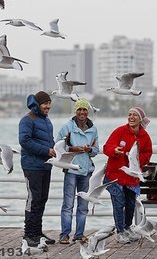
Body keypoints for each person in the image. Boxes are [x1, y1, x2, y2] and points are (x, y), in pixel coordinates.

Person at [103, 107, 153, 244]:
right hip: (115, 174)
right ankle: (120, 232)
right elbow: (107, 147)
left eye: (135, 115)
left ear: (140, 119)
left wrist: (135, 159)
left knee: (131, 204)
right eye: (129, 114)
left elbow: (147, 154)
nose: (131, 117)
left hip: (131, 176)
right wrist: (115, 150)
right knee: (118, 202)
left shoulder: (145, 137)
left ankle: (127, 228)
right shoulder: (119, 131)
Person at [56, 99, 99, 245]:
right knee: (68, 204)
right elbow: (57, 147)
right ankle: (64, 235)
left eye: (85, 109)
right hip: (71, 170)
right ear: (75, 111)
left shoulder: (93, 129)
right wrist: (72, 149)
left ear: (88, 111)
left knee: (83, 206)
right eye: (79, 109)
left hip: (86, 171)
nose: (82, 112)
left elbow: (96, 150)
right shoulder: (67, 127)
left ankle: (79, 234)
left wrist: (89, 149)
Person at [18, 91, 57, 249]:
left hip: (45, 165)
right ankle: (29, 235)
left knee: (42, 199)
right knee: (33, 200)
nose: (48, 106)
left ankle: (37, 232)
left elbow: (49, 141)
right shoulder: (27, 120)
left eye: (49, 103)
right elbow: (24, 141)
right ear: (38, 104)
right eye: (45, 104)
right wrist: (46, 151)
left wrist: (55, 149)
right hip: (31, 166)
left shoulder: (46, 121)